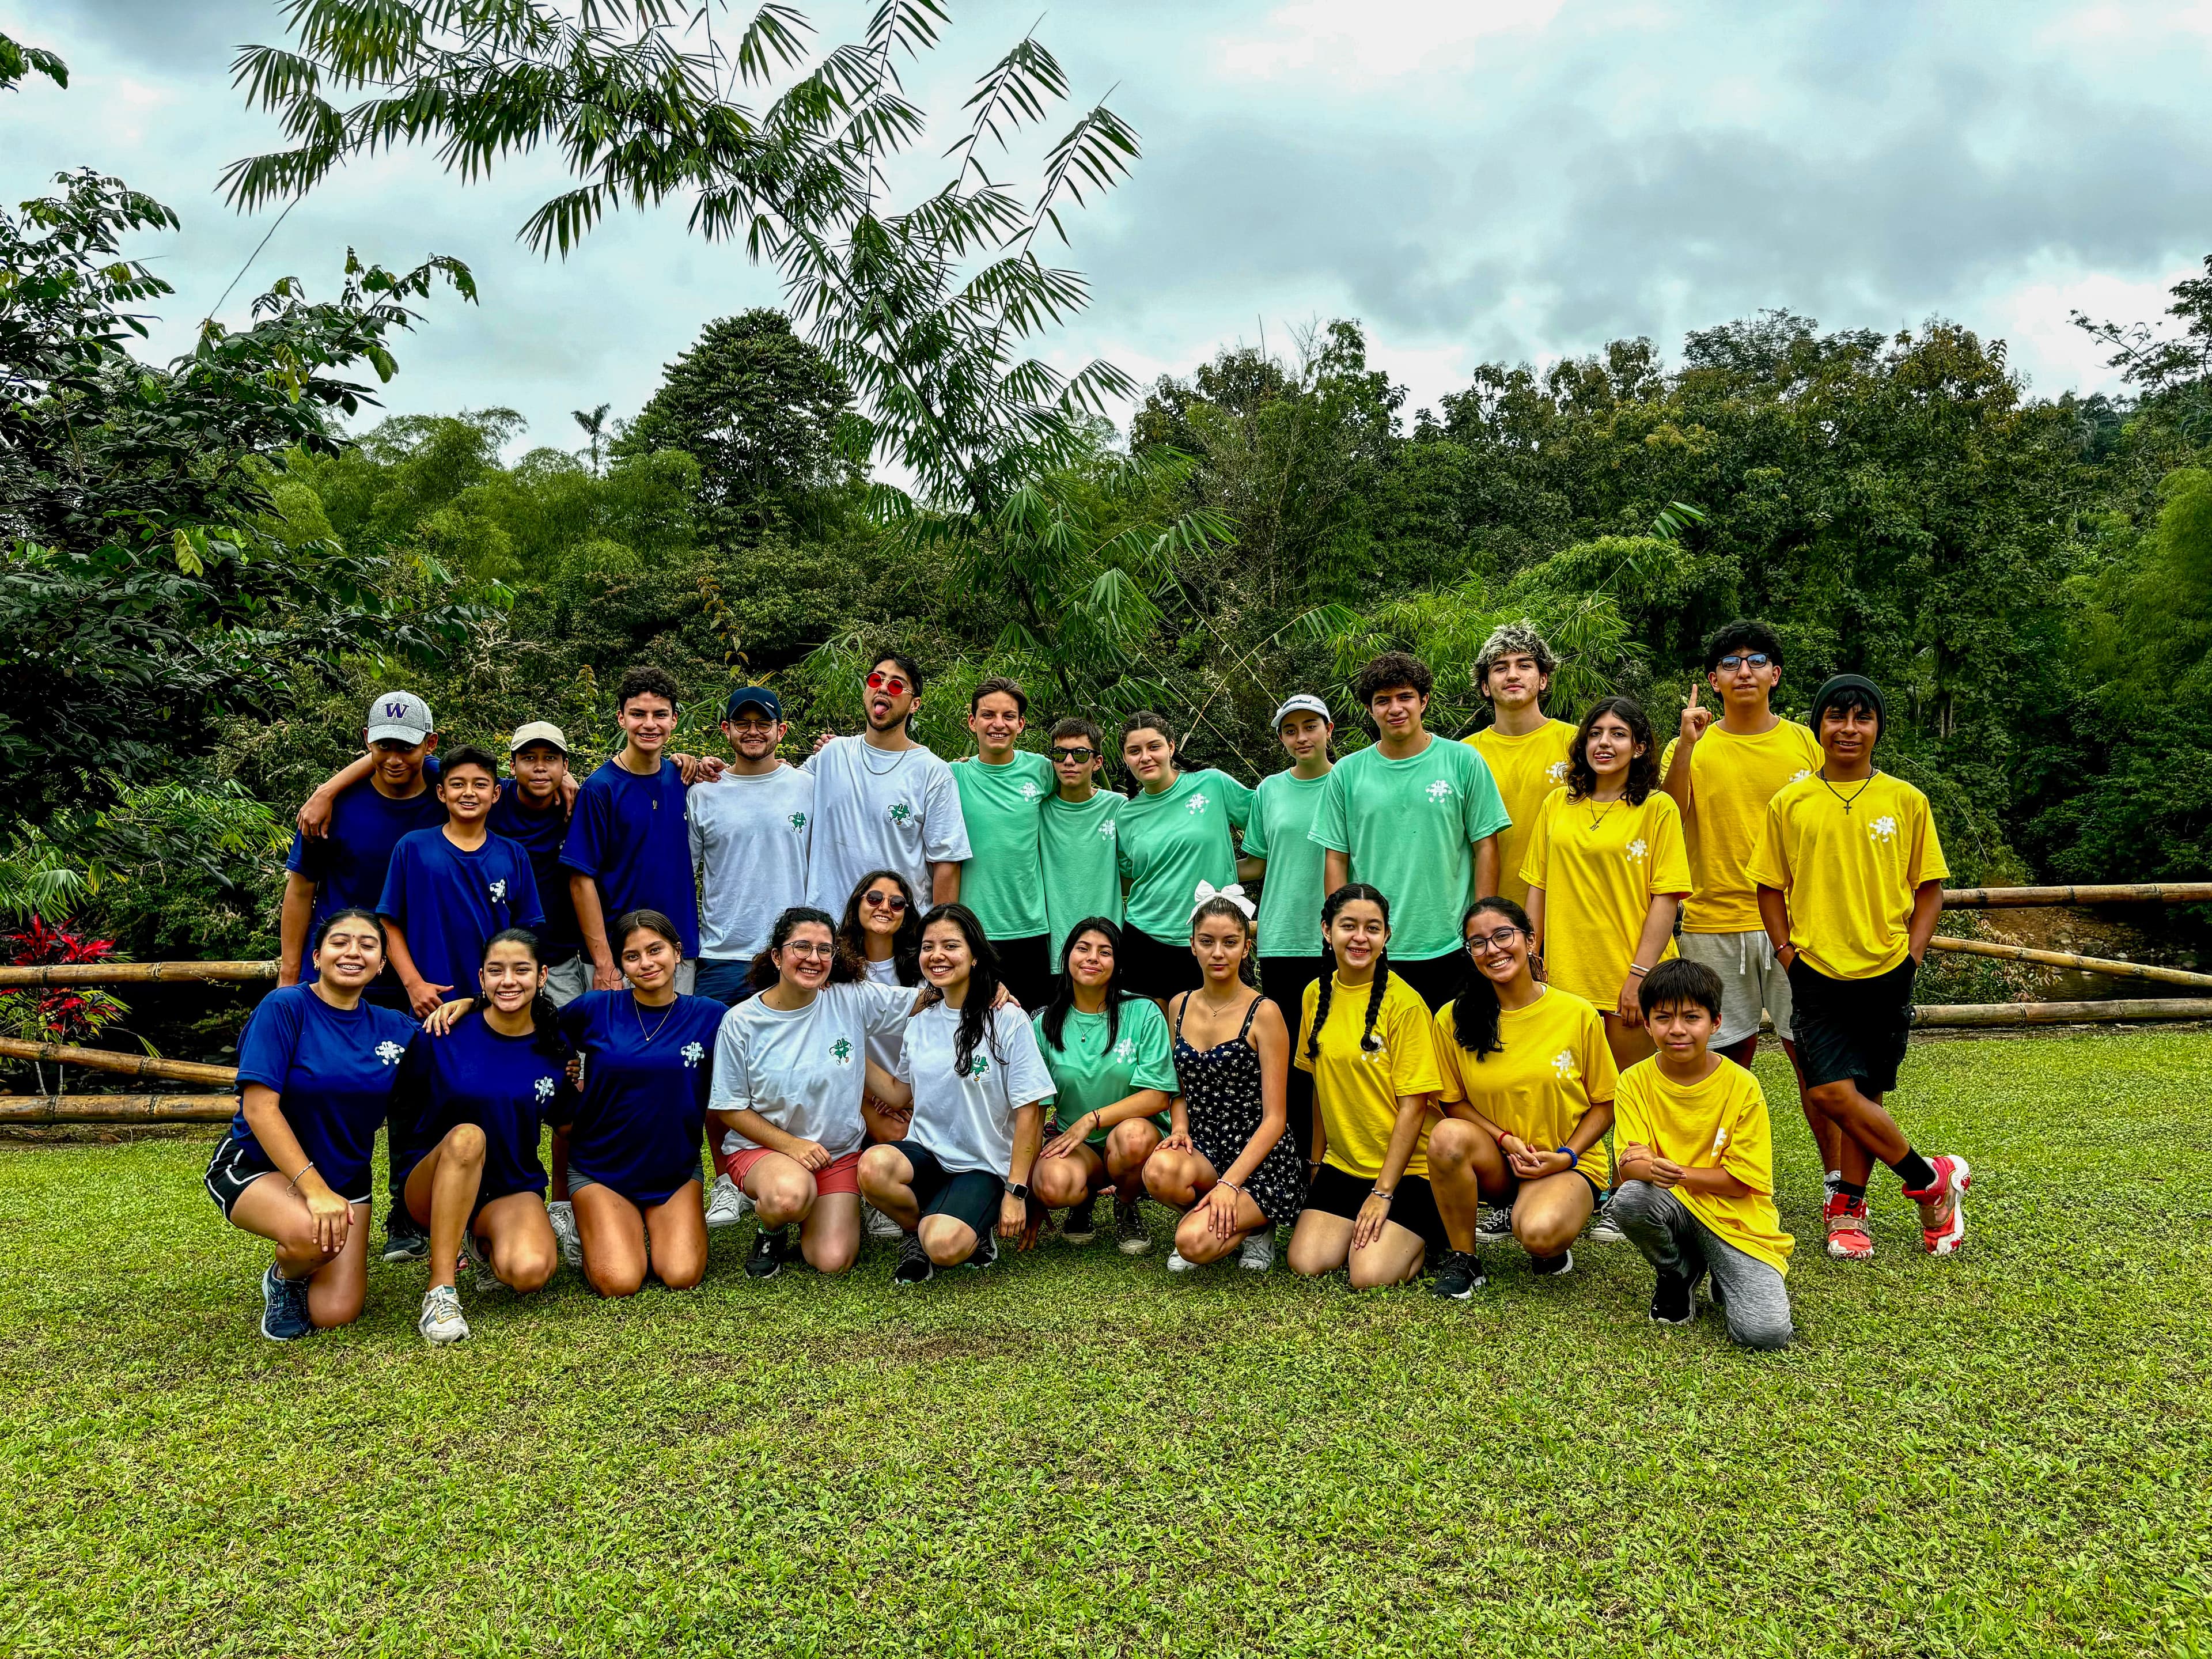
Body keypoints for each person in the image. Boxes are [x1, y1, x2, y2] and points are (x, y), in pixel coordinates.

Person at [1749, 674, 1972, 1260]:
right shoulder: (1790, 802)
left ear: (1877, 728)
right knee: (1828, 1091)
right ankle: (1931, 1181)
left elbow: (1929, 889)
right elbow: (1769, 887)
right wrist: (1786, 953)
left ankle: (1848, 1206)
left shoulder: (1905, 800)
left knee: (1865, 1091)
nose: (1848, 728)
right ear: (1818, 725)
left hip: (1886, 969)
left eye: (1862, 718)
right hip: (1816, 970)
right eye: (1836, 716)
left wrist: (1912, 956)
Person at [1660, 620, 1830, 1189]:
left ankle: (1838, 1186)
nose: (1745, 670)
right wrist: (1686, 744)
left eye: (1757, 660)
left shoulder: (1807, 742)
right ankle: (1713, 1182)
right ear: (1713, 680)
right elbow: (1666, 816)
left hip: (1801, 928)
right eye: (1730, 663)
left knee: (1816, 1063)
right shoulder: (1690, 745)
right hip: (1713, 925)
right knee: (1720, 1067)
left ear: (1776, 675)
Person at [202, 908, 420, 1340]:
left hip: (346, 1179)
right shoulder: (285, 1008)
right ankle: (285, 1277)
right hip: (259, 1165)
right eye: (340, 942)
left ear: (381, 964)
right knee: (312, 1237)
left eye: (368, 945)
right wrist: (316, 1192)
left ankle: (304, 1266)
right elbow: (261, 1109)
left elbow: (461, 1041)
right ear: (317, 957)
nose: (353, 952)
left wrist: (472, 1003)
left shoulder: (396, 1029)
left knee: (336, 1311)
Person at [706, 907, 919, 1279]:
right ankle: (770, 1231)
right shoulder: (741, 1021)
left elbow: (923, 1001)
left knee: (832, 1260)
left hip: (836, 1155)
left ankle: (818, 1211)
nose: (813, 958)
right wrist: (792, 1146)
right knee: (789, 1196)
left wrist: (986, 987)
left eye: (825, 949)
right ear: (776, 956)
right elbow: (730, 1109)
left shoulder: (850, 997)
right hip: (767, 1151)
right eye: (801, 947)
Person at [1423, 899, 1618, 1298]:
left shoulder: (1577, 1014)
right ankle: (1464, 1258)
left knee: (1540, 1235)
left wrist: (1567, 1155)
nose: (1492, 950)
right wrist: (1503, 1139)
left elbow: (1605, 1103)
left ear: (1530, 941)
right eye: (1478, 943)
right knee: (1446, 1136)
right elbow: (1453, 1102)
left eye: (1502, 936)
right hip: (1501, 1160)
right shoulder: (1453, 1018)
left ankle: (1545, 1227)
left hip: (1566, 1161)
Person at [858, 905, 1054, 1285]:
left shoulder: (1008, 1019)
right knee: (872, 1168)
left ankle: (970, 1231)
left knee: (945, 1248)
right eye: (928, 946)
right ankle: (922, 1231)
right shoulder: (920, 1020)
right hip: (928, 1154)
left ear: (975, 954)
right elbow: (900, 1095)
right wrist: (852, 1051)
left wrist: (1016, 1190)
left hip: (982, 1166)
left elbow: (1032, 1109)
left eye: (951, 945)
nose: (937, 955)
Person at [393, 928, 569, 1344]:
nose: (508, 980)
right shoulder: (443, 1032)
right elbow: (403, 1111)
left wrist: (563, 1203)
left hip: (509, 1185)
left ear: (542, 977)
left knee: (529, 1272)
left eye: (521, 970)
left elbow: (566, 1125)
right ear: (482, 977)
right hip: (433, 1184)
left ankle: (481, 1242)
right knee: (469, 1137)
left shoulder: (555, 1045)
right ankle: (440, 1292)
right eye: (497, 971)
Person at [1610, 959, 1796, 1349]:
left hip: (1737, 1221)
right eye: (1663, 1018)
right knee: (1630, 1200)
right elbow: (1631, 1168)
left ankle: (1727, 1274)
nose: (1677, 1030)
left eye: (1691, 1017)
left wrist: (1668, 1171)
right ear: (1647, 1024)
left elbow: (1741, 1183)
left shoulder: (1742, 1086)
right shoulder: (1633, 1081)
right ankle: (1677, 1272)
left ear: (1715, 1023)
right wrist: (1646, 1169)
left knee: (1764, 1333)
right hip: (1672, 1206)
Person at [1313, 653, 1510, 1011]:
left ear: (1424, 701)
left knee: (1454, 1052)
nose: (1395, 709)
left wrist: (1482, 926)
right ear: (1371, 711)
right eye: (1383, 701)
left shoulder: (1463, 761)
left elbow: (1486, 847)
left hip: (1451, 944)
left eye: (1405, 697)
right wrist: (1340, 930)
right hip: (1371, 945)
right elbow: (1336, 857)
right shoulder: (1347, 773)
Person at [548, 908, 725, 1296]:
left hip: (673, 1171)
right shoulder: (596, 1008)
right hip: (601, 1168)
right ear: (621, 964)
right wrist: (565, 1075)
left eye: (655, 950)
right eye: (632, 956)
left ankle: (641, 1225)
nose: (646, 963)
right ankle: (594, 1225)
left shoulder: (710, 1016)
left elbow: (760, 1040)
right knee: (620, 1281)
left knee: (682, 1275)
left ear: (678, 953)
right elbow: (535, 1029)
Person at [1285, 884, 1448, 1287]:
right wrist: (1317, 1163)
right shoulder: (1313, 995)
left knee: (1368, 1275)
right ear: (1327, 931)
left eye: (1372, 928)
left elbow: (1415, 1107)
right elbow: (1320, 1089)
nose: (1360, 938)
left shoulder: (1405, 1004)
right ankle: (1370, 1230)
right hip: (1345, 1165)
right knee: (1306, 1262)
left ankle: (1430, 1236)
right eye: (1349, 926)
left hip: (1409, 1169)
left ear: (1386, 936)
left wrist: (1383, 1192)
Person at [1521, 696, 1691, 1073]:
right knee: (1570, 1095)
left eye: (1618, 734)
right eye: (1595, 734)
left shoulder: (1657, 808)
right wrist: (1531, 960)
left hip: (1630, 976)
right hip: (1564, 979)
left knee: (1634, 1094)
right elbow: (1538, 887)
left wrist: (1639, 976)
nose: (1604, 743)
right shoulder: (1557, 804)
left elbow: (1666, 898)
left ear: (1639, 747)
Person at [1144, 889, 1305, 1273]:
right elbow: (1178, 1087)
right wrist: (1180, 1127)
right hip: (1204, 1147)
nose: (1219, 953)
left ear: (1246, 948)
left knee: (1191, 1244)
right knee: (1158, 1171)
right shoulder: (1178, 1005)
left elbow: (1276, 1119)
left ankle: (1258, 1225)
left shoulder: (1264, 1012)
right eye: (1208, 942)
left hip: (1260, 1156)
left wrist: (1230, 1184)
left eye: (1230, 942)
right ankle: (1223, 1218)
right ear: (1192, 946)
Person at [1029, 919, 1177, 1256]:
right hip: (1074, 1142)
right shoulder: (1044, 1023)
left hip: (1131, 1139)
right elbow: (1033, 1109)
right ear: (1067, 957)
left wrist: (1092, 1119)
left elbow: (1159, 1095)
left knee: (1132, 1139)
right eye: (1083, 949)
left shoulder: (1143, 1012)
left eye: (1104, 952)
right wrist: (1028, 1190)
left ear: (1118, 963)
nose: (1092, 958)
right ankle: (1083, 1200)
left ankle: (1126, 1203)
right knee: (1052, 1186)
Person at [377, 744, 547, 1019]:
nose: (469, 793)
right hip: (430, 1002)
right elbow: (388, 922)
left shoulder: (513, 855)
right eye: (458, 784)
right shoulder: (413, 848)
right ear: (442, 793)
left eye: (480, 785)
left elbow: (527, 935)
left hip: (497, 1005)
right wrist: (414, 984)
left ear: (495, 794)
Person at [563, 667, 703, 995]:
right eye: (638, 714)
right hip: (619, 957)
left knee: (675, 1045)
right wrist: (603, 963)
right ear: (621, 718)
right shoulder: (601, 789)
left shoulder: (682, 780)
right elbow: (580, 880)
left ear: (674, 720)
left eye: (660, 714)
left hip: (678, 951)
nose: (649, 724)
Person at [804, 653, 969, 915]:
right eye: (875, 680)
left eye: (895, 685)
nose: (882, 688)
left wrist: (939, 932)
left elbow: (946, 861)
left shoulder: (933, 772)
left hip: (900, 931)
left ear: (914, 704)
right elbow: (781, 790)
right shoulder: (831, 755)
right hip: (829, 929)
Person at [1241, 693, 1333, 1162]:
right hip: (1279, 941)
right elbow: (1256, 864)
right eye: (1290, 730)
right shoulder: (1269, 791)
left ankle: (1338, 1159)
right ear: (1281, 738)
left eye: (1310, 727)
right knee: (1290, 1061)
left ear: (1328, 730)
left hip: (1337, 941)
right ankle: (1295, 1163)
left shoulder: (1350, 782)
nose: (1301, 737)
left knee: (1334, 1057)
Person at [1113, 710, 1256, 1002]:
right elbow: (1130, 879)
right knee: (1154, 1041)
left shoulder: (1212, 784)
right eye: (1134, 751)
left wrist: (1233, 869)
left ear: (1171, 747)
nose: (1145, 757)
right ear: (1125, 758)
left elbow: (1267, 821)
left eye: (1154, 747)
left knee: (1213, 1037)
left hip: (1211, 936)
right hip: (1145, 938)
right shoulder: (1126, 815)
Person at [690, 685, 814, 1009]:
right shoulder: (702, 793)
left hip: (791, 952)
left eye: (763, 723)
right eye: (742, 723)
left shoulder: (810, 788)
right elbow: (684, 875)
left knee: (788, 1058)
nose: (753, 732)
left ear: (781, 730)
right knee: (713, 1056)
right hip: (721, 956)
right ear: (726, 729)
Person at [949, 677, 1057, 1009]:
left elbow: (1078, 804)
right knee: (977, 1029)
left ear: (1021, 724)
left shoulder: (1042, 770)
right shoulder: (951, 775)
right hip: (974, 930)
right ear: (972, 722)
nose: (999, 724)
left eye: (1009, 716)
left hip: (1032, 927)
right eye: (988, 715)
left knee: (1034, 1025)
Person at [1463, 622, 1578, 911]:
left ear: (1543, 680)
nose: (1512, 674)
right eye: (1500, 667)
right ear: (1486, 687)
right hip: (1489, 913)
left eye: (1524, 665)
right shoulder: (1462, 755)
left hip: (1567, 909)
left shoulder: (1580, 744)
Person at [488, 723, 586, 1007]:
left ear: (565, 766)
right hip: (498, 961)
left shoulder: (578, 807)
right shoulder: (490, 800)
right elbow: (435, 768)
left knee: (569, 1044)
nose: (540, 767)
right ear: (512, 765)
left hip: (559, 958)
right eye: (529, 758)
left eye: (551, 759)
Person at [1038, 717, 1124, 962]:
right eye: (1060, 754)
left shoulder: (1118, 807)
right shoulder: (1038, 809)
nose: (1069, 761)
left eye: (1080, 754)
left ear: (1097, 762)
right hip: (1053, 944)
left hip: (1107, 942)